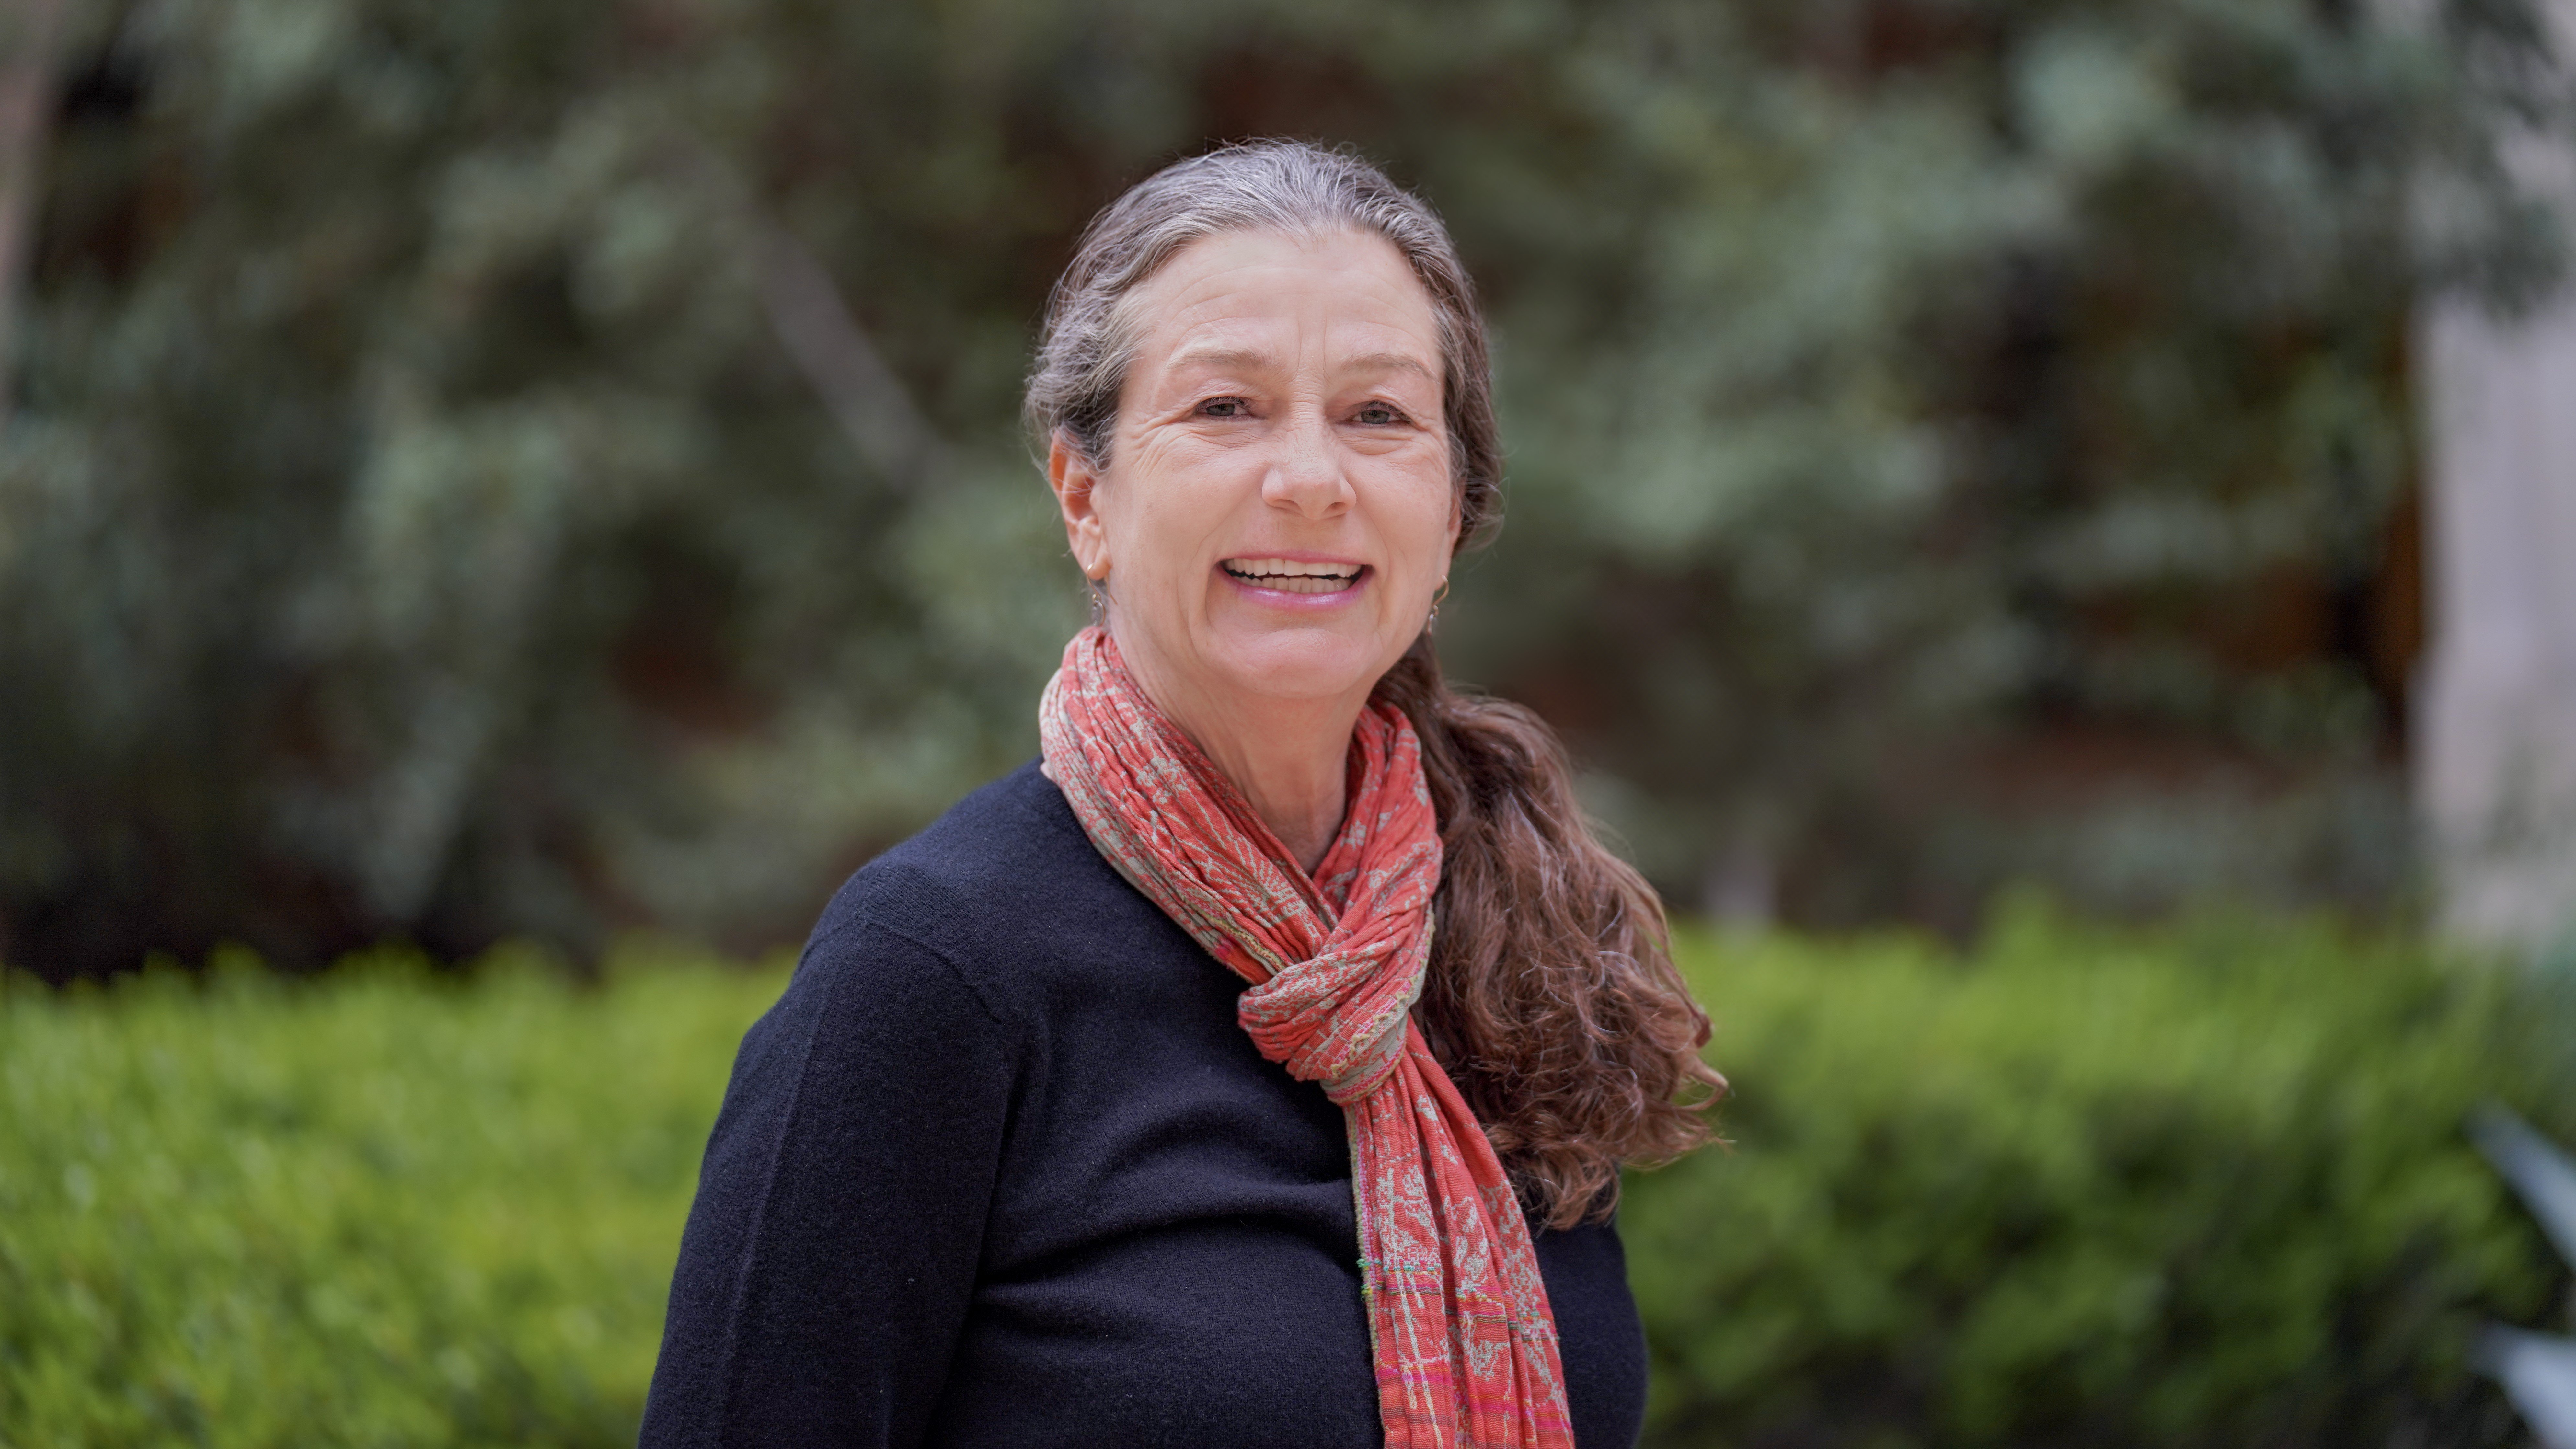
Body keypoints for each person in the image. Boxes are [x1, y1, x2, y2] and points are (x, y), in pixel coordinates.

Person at [640, 139, 1722, 1449]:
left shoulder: (1502, 947)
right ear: (1084, 495)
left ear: (1449, 515)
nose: (1311, 478)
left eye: (1378, 416)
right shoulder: (933, 970)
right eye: (1225, 409)